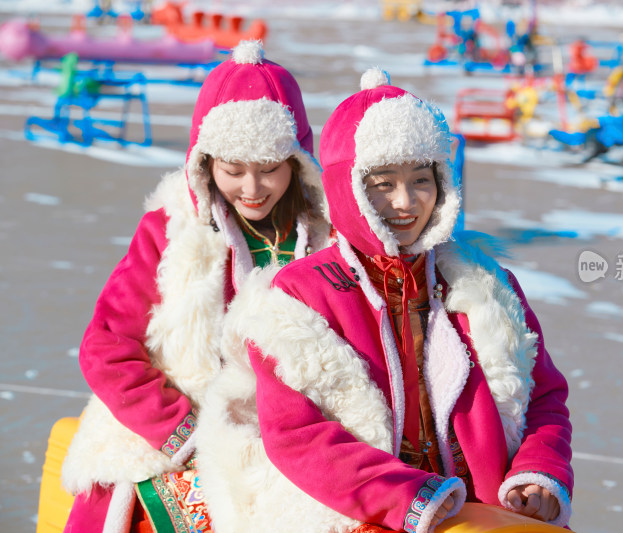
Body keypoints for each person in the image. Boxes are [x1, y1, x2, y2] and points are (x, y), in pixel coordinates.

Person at [199, 68, 572, 533]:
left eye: (422, 179)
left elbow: (545, 397)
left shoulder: (485, 284)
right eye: (383, 183)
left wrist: (538, 472)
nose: (406, 202)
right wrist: (405, 497)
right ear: (347, 187)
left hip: (484, 502)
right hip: (357, 509)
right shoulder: (298, 296)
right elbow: (295, 435)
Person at [60, 40, 330, 533]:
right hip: (181, 430)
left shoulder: (325, 241)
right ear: (204, 164)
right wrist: (183, 431)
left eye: (270, 169)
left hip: (295, 435)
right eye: (233, 171)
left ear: (298, 162)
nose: (252, 188)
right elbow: (105, 346)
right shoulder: (171, 231)